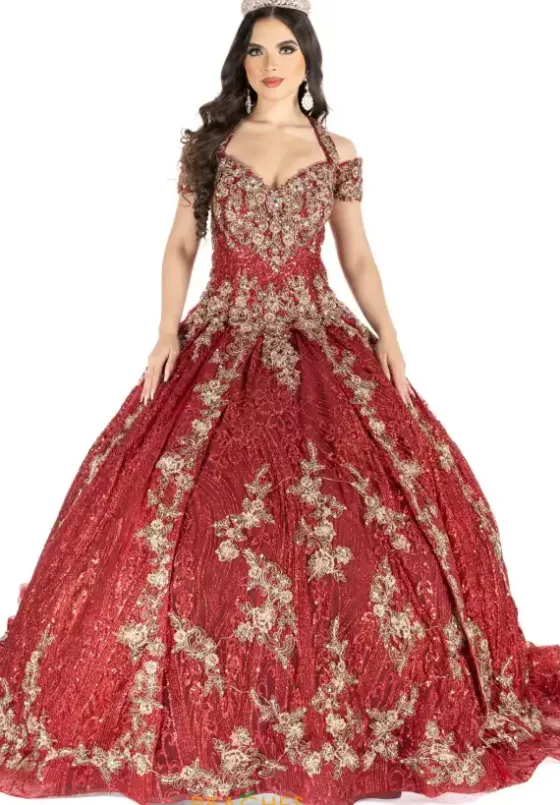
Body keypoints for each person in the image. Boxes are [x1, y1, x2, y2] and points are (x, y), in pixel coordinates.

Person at [1, 1, 559, 804]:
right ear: (241, 59)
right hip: (221, 330)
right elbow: (182, 242)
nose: (271, 64)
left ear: (308, 59)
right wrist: (164, 333)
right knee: (181, 515)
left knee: (354, 520)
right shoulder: (210, 144)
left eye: (286, 48)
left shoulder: (336, 150)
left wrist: (390, 335)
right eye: (257, 49)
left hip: (316, 331)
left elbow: (357, 254)